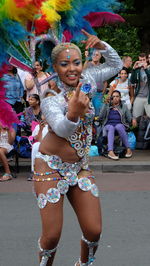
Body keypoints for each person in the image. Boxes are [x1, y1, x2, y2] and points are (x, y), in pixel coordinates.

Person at [33, 29, 123, 266]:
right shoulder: (51, 97)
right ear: (55, 68)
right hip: (50, 166)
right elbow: (61, 129)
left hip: (79, 167)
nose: (72, 68)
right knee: (51, 236)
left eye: (76, 62)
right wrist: (73, 114)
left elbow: (116, 64)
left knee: (94, 230)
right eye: (64, 64)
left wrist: (101, 45)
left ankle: (83, 264)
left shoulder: (89, 80)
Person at [99, 90, 136, 160]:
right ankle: (110, 151)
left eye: (117, 96)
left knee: (118, 126)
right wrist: (105, 104)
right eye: (113, 97)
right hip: (108, 126)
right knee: (111, 127)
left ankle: (128, 149)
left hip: (120, 125)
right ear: (111, 98)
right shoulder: (107, 105)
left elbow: (129, 118)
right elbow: (100, 117)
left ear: (120, 98)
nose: (115, 98)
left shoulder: (124, 106)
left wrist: (133, 119)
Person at [83, 49, 107, 116]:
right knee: (88, 112)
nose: (95, 56)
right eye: (94, 54)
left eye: (97, 55)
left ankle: (97, 125)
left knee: (97, 112)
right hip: (88, 93)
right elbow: (83, 72)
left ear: (100, 56)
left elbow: (105, 81)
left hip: (99, 93)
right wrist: (87, 59)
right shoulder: (88, 64)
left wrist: (103, 93)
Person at [130, 53, 150, 119]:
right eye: (140, 60)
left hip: (148, 98)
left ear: (146, 60)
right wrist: (133, 69)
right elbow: (132, 81)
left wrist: (146, 69)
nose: (142, 62)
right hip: (139, 96)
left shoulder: (149, 69)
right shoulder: (137, 70)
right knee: (135, 118)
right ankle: (135, 129)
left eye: (143, 60)